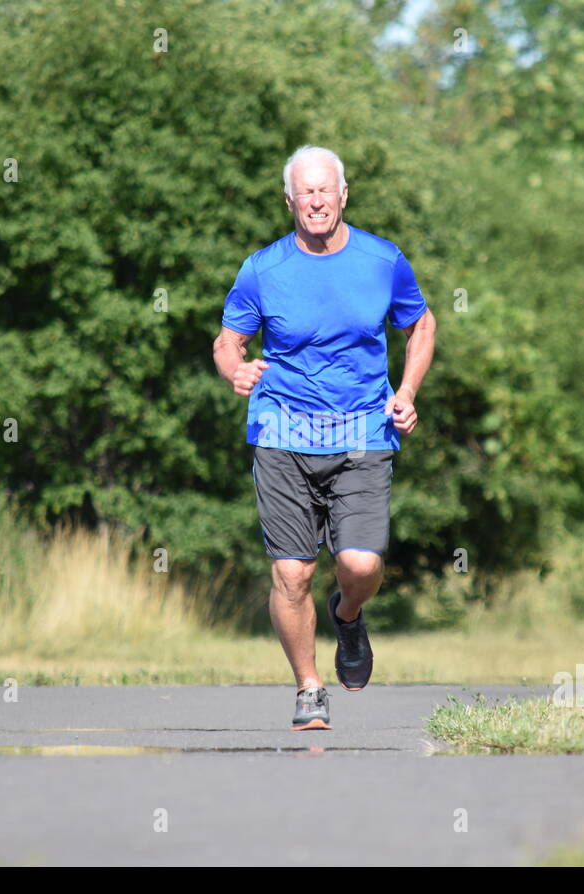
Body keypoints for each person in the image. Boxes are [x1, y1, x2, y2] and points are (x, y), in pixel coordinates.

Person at [211, 145, 436, 730]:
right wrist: (234, 368)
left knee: (359, 564)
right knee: (292, 573)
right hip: (282, 431)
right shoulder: (263, 268)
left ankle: (350, 612)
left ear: (343, 195)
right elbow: (227, 340)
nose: (316, 200)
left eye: (325, 190)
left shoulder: (382, 260)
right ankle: (309, 687)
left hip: (363, 430)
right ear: (289, 201)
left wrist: (407, 392)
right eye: (304, 192)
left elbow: (421, 324)